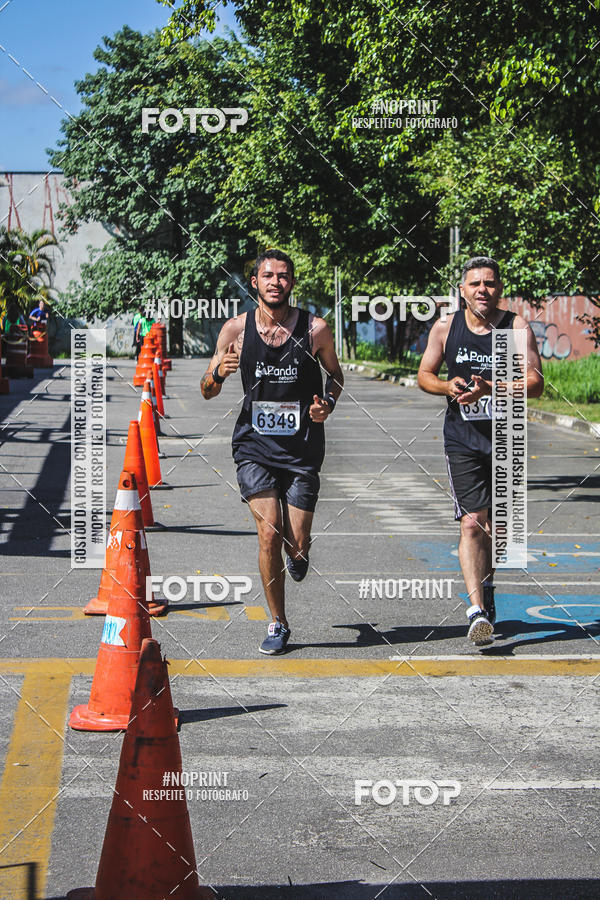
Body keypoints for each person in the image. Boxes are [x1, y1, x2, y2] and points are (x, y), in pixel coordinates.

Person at [201, 249, 344, 654]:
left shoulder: (315, 329)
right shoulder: (235, 330)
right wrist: (216, 373)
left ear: (292, 283)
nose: (275, 281)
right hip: (254, 447)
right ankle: (278, 622)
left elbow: (336, 377)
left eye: (283, 276)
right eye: (268, 275)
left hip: (301, 450)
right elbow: (206, 391)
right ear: (255, 283)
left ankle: (299, 555)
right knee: (269, 533)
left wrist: (326, 406)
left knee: (296, 544)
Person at [417, 256, 543, 644]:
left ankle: (487, 589)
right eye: (475, 284)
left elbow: (536, 383)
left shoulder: (513, 326)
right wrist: (448, 387)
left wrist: (493, 388)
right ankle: (476, 611)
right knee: (472, 521)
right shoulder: (446, 327)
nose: (482, 290)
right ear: (462, 290)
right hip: (462, 438)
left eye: (490, 283)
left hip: (506, 437)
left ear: (499, 289)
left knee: (499, 530)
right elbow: (424, 375)